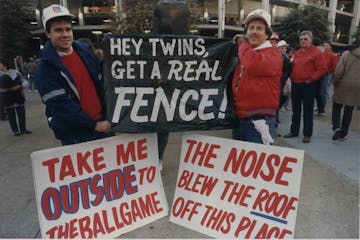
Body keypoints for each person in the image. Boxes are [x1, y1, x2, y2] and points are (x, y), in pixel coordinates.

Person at [35, 4, 111, 145]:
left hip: (103, 125)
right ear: (48, 33)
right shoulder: (44, 69)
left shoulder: (85, 51)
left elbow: (102, 80)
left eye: (68, 29)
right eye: (58, 30)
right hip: (76, 134)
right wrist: (93, 125)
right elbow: (61, 106)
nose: (65, 34)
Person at [231, 9, 283, 145]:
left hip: (260, 121)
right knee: (239, 164)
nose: (254, 31)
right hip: (240, 118)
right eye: (251, 28)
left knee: (258, 166)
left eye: (259, 28)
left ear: (267, 35)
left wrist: (242, 45)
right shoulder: (247, 53)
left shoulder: (274, 54)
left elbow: (253, 65)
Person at [284, 31, 327, 143]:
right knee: (295, 110)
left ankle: (307, 134)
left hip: (308, 85)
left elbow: (322, 69)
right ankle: (294, 131)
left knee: (308, 110)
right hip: (296, 84)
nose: (302, 41)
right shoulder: (298, 52)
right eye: (301, 39)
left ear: (311, 40)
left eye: (305, 39)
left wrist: (311, 79)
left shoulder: (317, 53)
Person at [331, 45, 360, 141]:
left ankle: (336, 127)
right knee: (349, 109)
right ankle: (343, 133)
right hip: (356, 86)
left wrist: (335, 81)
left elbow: (338, 71)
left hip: (343, 83)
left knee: (337, 106)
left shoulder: (347, 54)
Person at [0, 58, 32, 136]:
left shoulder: (15, 72)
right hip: (7, 98)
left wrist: (20, 86)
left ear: (4, 64)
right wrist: (8, 88)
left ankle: (23, 129)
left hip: (18, 96)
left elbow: (25, 82)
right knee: (11, 115)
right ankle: (15, 131)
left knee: (21, 114)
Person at [315, 41, 338, 116]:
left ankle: (322, 106)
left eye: (327, 45)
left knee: (324, 91)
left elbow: (334, 66)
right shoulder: (321, 53)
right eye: (324, 45)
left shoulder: (333, 55)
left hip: (327, 74)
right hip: (320, 73)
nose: (325, 46)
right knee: (318, 90)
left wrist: (328, 72)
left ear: (330, 46)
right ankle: (319, 106)